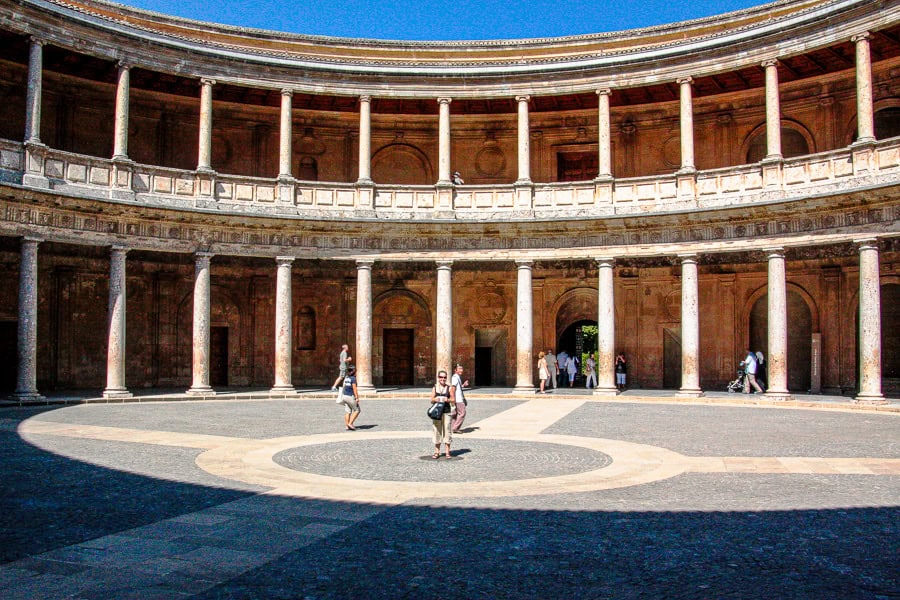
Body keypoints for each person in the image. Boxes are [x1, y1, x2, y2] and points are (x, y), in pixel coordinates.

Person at [429, 370, 454, 458]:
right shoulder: (434, 387)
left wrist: (447, 399)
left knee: (447, 430)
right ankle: (437, 452)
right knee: (437, 431)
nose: (443, 379)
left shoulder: (449, 388)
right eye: (441, 377)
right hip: (437, 413)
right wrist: (437, 399)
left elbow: (453, 400)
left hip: (446, 411)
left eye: (444, 377)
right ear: (438, 378)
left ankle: (447, 452)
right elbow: (431, 399)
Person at [337, 366, 360, 430]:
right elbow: (354, 389)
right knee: (357, 410)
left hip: (345, 396)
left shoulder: (346, 377)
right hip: (350, 396)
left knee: (348, 411)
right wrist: (357, 397)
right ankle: (350, 423)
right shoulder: (353, 378)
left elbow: (344, 386)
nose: (356, 372)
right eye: (355, 370)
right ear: (353, 371)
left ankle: (347, 425)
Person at [450, 363, 469, 433]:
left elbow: (458, 387)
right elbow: (453, 388)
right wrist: (453, 399)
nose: (462, 370)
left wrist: (463, 385)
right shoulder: (455, 377)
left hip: (458, 398)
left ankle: (452, 428)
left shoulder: (457, 377)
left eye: (462, 368)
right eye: (460, 369)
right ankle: (455, 428)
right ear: (455, 370)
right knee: (462, 413)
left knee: (455, 414)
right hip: (458, 399)